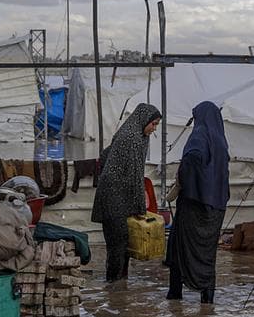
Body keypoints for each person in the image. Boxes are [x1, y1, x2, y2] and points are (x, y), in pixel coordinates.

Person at [165, 100, 229, 304]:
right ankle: (207, 301)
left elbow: (191, 160)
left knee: (178, 250)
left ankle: (175, 296)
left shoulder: (199, 135)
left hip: (193, 206)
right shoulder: (221, 141)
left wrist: (185, 180)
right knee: (207, 255)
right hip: (215, 210)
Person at [92, 103, 161, 282]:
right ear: (143, 120)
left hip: (118, 194)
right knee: (118, 243)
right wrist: (140, 208)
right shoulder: (131, 139)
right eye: (153, 124)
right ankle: (114, 287)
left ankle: (118, 288)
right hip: (113, 196)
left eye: (156, 125)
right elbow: (134, 175)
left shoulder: (136, 134)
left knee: (123, 242)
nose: (154, 129)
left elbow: (105, 155)